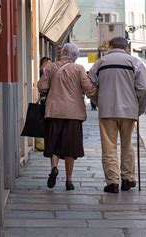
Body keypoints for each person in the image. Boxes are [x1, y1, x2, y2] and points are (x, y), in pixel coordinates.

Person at [88, 37, 146, 193]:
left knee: (109, 146)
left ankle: (112, 182)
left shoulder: (100, 63)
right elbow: (143, 89)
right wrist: (140, 108)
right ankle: (127, 178)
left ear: (110, 46)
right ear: (126, 47)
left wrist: (97, 101)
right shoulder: (135, 63)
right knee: (127, 144)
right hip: (129, 110)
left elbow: (90, 85)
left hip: (107, 109)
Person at [37, 43, 98, 191]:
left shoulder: (51, 67)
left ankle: (54, 168)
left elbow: (41, 87)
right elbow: (89, 89)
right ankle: (69, 180)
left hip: (54, 112)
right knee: (70, 147)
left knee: (54, 144)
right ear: (75, 56)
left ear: (62, 53)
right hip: (73, 113)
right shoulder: (78, 69)